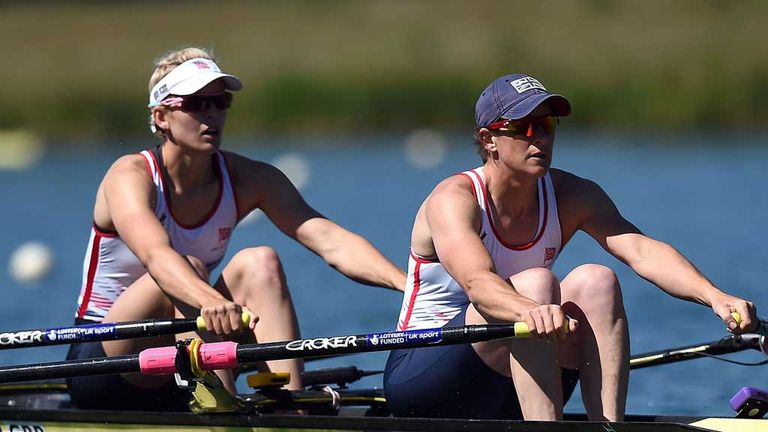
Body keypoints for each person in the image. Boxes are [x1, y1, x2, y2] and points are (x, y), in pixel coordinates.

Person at [383, 73, 758, 421]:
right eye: (524, 127)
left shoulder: (573, 194)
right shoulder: (454, 200)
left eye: (547, 125)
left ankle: (608, 428)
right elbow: (478, 284)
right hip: (424, 377)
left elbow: (643, 251)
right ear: (488, 140)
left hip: (517, 373)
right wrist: (531, 311)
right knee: (537, 284)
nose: (540, 138)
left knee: (598, 281)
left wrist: (714, 296)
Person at [66, 46, 405, 411]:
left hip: (183, 351)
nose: (211, 114)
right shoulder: (130, 176)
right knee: (188, 266)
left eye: (220, 101)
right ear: (161, 116)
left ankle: (291, 407)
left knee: (261, 262)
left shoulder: (250, 178)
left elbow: (331, 240)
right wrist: (209, 300)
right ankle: (223, 407)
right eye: (196, 104)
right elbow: (156, 256)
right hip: (104, 364)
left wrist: (409, 285)